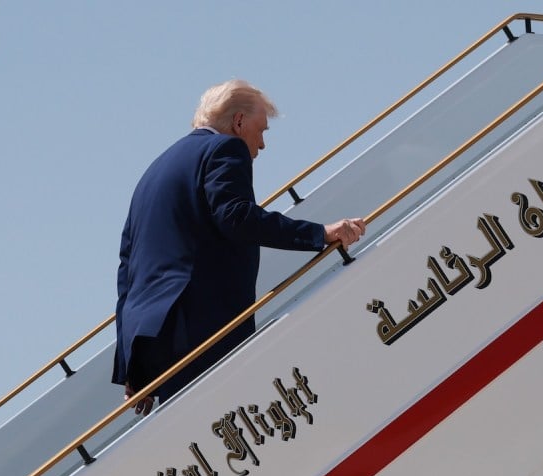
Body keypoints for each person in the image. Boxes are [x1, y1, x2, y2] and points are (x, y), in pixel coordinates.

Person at [113, 79, 365, 415]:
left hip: (153, 339)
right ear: (239, 122)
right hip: (202, 328)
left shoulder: (153, 172)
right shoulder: (223, 149)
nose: (262, 144)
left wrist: (134, 366)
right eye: (261, 130)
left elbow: (127, 267)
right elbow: (237, 217)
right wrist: (319, 234)